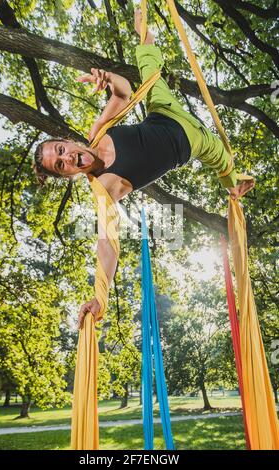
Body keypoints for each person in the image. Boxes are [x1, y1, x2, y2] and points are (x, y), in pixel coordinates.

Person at [33, 9, 254, 328]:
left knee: (147, 63)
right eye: (60, 165)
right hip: (193, 143)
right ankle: (235, 185)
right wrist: (101, 296)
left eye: (61, 150)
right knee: (226, 167)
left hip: (163, 110)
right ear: (67, 175)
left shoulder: (98, 131)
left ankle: (144, 30)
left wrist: (107, 79)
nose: (66, 158)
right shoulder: (103, 188)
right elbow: (107, 243)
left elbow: (123, 92)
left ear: (68, 141)